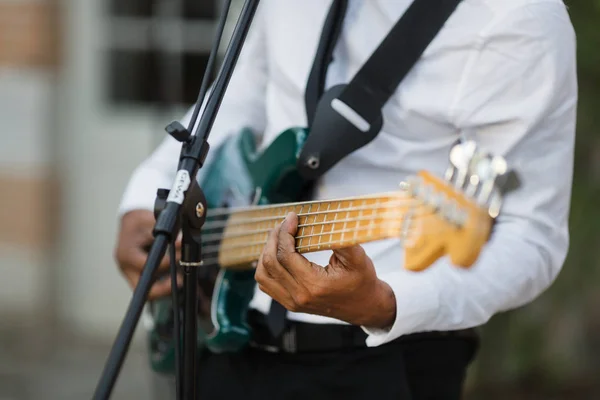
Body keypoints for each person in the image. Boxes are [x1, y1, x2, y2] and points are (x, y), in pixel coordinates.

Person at [114, 1, 577, 399]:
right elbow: (240, 97)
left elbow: (531, 235)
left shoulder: (520, 17)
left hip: (385, 365)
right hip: (225, 340)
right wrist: (148, 192)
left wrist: (388, 303)